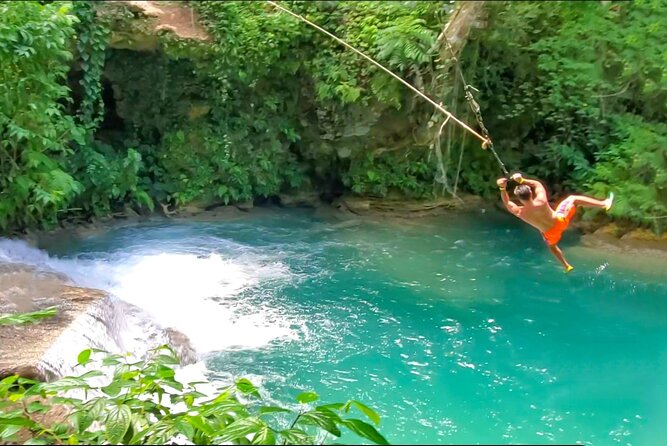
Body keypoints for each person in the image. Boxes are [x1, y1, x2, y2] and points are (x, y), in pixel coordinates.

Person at [496, 173, 614, 272]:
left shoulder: (519, 211)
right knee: (573, 199)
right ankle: (603, 204)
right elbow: (537, 184)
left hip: (550, 234)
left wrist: (502, 187)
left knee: (552, 246)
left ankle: (566, 265)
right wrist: (522, 180)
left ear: (519, 199)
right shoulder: (541, 200)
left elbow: (507, 203)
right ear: (531, 194)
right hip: (560, 222)